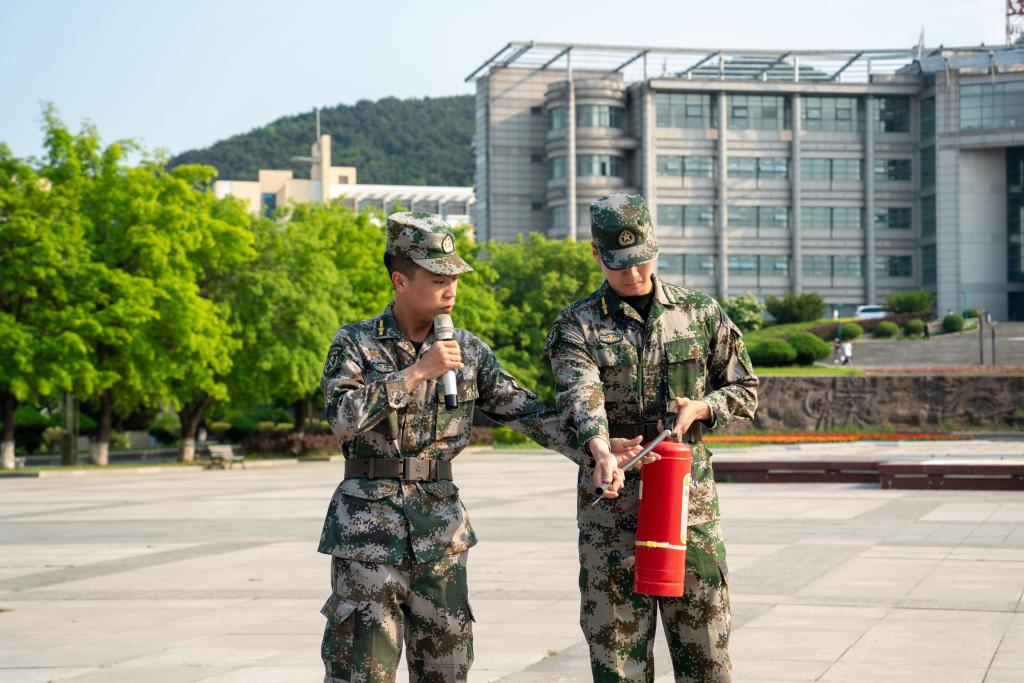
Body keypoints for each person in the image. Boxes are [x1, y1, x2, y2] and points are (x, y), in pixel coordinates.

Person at [317, 212, 636, 683]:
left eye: (454, 278)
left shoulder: (469, 350)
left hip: (441, 534)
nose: (450, 289)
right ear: (400, 280)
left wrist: (597, 448)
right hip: (367, 535)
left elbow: (527, 412)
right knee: (361, 671)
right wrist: (416, 373)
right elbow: (343, 419)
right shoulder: (356, 343)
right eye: (437, 279)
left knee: (448, 669)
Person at [546, 193, 759, 682]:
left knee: (707, 657)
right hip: (612, 510)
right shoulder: (576, 325)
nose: (633, 273)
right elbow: (581, 394)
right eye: (619, 263)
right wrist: (599, 445)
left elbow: (745, 388)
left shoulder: (699, 313)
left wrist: (703, 407)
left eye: (641, 259)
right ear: (596, 255)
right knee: (618, 661)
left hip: (688, 509)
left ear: (654, 246)